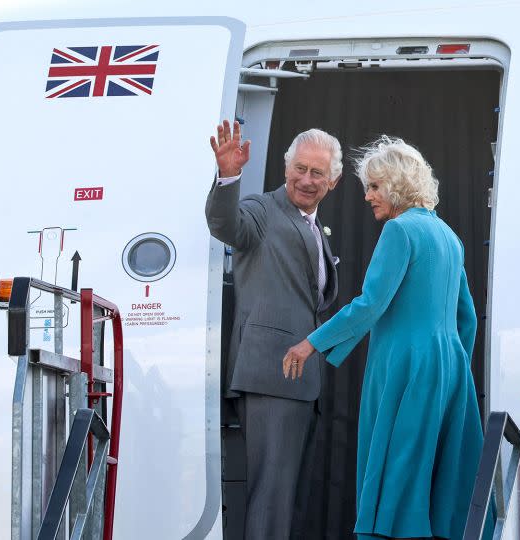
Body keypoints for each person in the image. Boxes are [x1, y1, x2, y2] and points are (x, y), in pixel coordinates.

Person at [282, 136, 483, 540]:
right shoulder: (448, 237)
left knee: (396, 471)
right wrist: (452, 363)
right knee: (436, 478)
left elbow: (370, 305)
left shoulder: (399, 231)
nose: (369, 196)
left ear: (396, 184)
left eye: (374, 186)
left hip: (402, 367)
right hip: (450, 369)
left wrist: (312, 343)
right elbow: (469, 319)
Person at [205, 120, 341, 539]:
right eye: (300, 168)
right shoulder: (264, 211)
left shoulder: (315, 228)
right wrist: (229, 176)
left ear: (332, 181)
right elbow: (226, 225)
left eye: (317, 173)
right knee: (271, 498)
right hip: (271, 376)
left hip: (303, 382)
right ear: (286, 168)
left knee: (290, 502)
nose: (306, 179)